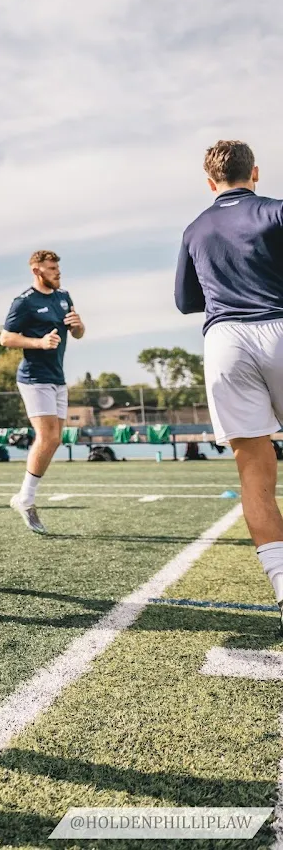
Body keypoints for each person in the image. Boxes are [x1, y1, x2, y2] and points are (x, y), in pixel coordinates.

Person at [175, 139, 283, 632]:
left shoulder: (195, 228)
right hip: (279, 325)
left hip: (225, 341)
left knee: (254, 472)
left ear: (210, 181)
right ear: (254, 173)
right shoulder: (276, 211)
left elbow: (184, 301)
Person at [0, 251, 85, 533]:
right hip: (34, 378)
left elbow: (78, 333)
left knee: (55, 439)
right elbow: (5, 338)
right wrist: (39, 342)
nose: (58, 273)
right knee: (47, 436)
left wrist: (79, 326)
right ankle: (25, 498)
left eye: (58, 268)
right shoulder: (23, 302)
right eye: (52, 269)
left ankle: (24, 496)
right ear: (37, 271)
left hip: (58, 378)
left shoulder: (64, 297)